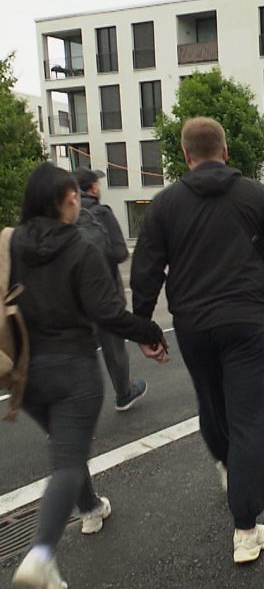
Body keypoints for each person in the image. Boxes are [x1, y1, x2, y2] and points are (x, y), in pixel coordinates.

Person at [131, 117, 264, 564]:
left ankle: (227, 464)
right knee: (251, 418)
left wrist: (144, 329)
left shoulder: (165, 204)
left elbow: (145, 269)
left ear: (185, 155)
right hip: (246, 319)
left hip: (193, 324)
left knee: (213, 405)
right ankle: (245, 528)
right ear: (226, 151)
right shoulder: (253, 194)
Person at [10, 163, 167, 589]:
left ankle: (91, 508)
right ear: (61, 202)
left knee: (65, 445)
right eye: (71, 196)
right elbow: (108, 313)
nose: (78, 200)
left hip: (28, 370)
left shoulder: (18, 244)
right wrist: (150, 333)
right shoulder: (80, 248)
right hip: (73, 368)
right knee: (66, 460)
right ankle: (41, 553)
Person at [73, 168, 148, 411]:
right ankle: (124, 393)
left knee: (81, 350)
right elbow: (119, 252)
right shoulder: (101, 213)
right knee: (113, 346)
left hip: (75, 298)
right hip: (106, 294)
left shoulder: (64, 215)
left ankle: (75, 406)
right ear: (92, 188)